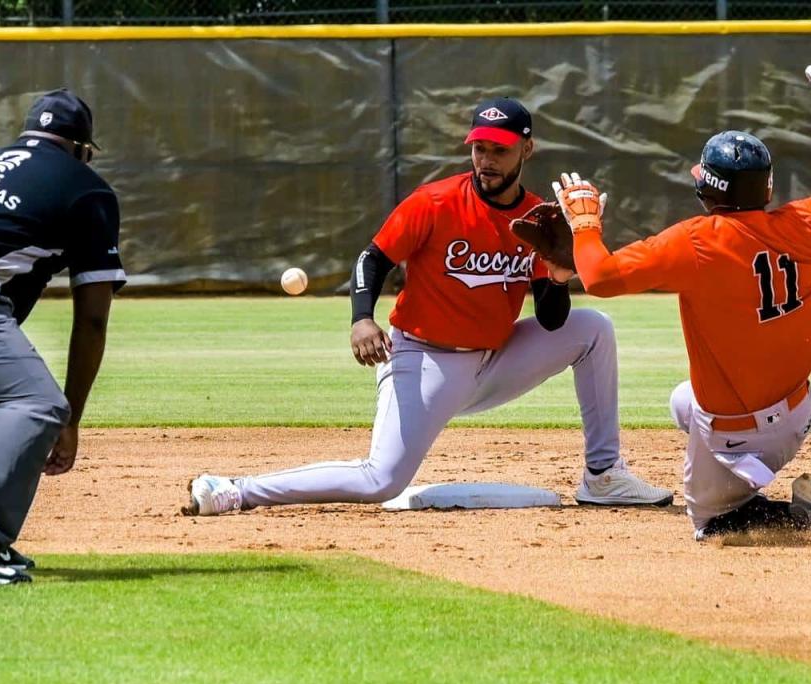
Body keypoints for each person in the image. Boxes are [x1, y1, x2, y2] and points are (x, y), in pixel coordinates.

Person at [183, 96, 673, 517]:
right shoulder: (435, 202)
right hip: (424, 361)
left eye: (499, 150)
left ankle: (604, 475)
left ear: (527, 149)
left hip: (496, 358)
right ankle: (236, 489)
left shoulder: (537, 220)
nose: (486, 160)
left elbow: (550, 319)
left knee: (593, 329)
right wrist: (361, 319)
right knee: (381, 480)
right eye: (479, 148)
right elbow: (373, 258)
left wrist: (560, 273)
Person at [551, 58, 811, 539]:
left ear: (704, 189)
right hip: (798, 413)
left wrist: (584, 226)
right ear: (767, 187)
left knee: (711, 524)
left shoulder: (696, 243)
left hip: (739, 429)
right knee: (682, 401)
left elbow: (600, 277)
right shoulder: (809, 222)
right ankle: (747, 475)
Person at [0, 89, 126, 584]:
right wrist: (71, 417)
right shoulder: (87, 190)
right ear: (81, 148)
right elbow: (92, 320)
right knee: (36, 405)